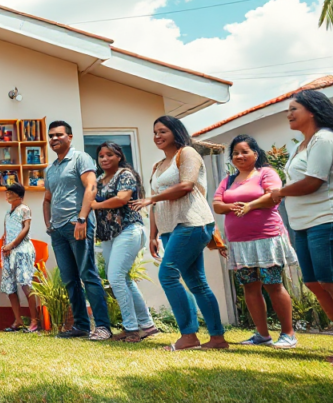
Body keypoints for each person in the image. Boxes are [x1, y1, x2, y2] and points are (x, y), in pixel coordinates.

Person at [268, 90, 333, 367]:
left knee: (332, 283)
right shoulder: (301, 145)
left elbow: (313, 181)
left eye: (294, 108)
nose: (288, 114)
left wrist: (279, 192)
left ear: (312, 111)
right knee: (314, 283)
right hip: (304, 223)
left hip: (328, 219)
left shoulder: (325, 139)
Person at [131, 116, 227, 351]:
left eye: (163, 131)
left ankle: (189, 335)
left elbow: (186, 185)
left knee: (168, 274)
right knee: (197, 282)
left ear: (176, 131)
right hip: (169, 229)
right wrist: (153, 235)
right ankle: (217, 339)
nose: (157, 136)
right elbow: (156, 204)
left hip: (192, 223)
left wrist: (151, 198)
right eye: (155, 132)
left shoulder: (187, 153)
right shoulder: (158, 166)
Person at [212, 134, 298, 349]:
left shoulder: (266, 173)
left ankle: (288, 334)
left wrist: (250, 206)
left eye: (245, 152)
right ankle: (262, 335)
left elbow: (273, 196)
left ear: (255, 154)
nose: (239, 156)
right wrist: (233, 206)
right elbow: (217, 205)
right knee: (249, 286)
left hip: (267, 239)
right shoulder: (228, 180)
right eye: (235, 153)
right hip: (239, 243)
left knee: (273, 285)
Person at [43, 121, 112, 340]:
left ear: (70, 137)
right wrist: (49, 225)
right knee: (69, 279)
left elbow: (91, 187)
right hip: (58, 231)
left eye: (59, 135)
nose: (54, 139)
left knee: (87, 274)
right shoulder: (50, 169)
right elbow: (47, 199)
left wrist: (82, 218)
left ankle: (103, 327)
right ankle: (81, 326)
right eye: (51, 136)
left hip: (77, 225)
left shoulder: (80, 158)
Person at [90, 142, 157, 342]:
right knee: (124, 279)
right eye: (101, 156)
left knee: (116, 278)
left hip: (128, 229)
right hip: (108, 235)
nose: (104, 159)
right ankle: (147, 326)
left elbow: (122, 199)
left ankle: (131, 329)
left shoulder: (125, 175)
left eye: (109, 155)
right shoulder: (99, 180)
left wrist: (95, 205)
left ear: (119, 156)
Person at [0, 183, 39, 333]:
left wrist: (12, 245)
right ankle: (18, 320)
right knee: (10, 287)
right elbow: (6, 232)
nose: (8, 195)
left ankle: (34, 321)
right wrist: (5, 246)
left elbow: (26, 228)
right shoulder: (7, 213)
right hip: (9, 253)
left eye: (11, 193)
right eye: (7, 193)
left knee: (25, 284)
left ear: (20, 196)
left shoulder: (24, 209)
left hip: (22, 251)